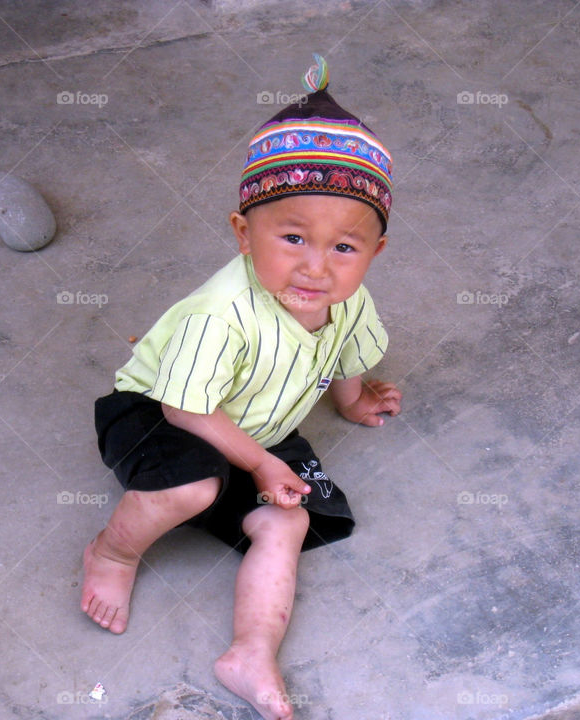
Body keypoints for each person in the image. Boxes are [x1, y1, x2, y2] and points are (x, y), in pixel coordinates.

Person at [83, 54, 402, 720]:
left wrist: (352, 398)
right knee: (190, 484)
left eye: (345, 247)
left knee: (290, 520)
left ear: (374, 253)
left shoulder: (350, 301)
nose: (316, 266)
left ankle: (251, 652)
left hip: (252, 432)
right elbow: (182, 405)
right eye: (291, 238)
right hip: (160, 413)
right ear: (242, 234)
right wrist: (259, 461)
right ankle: (113, 549)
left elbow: (343, 354)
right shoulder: (221, 313)